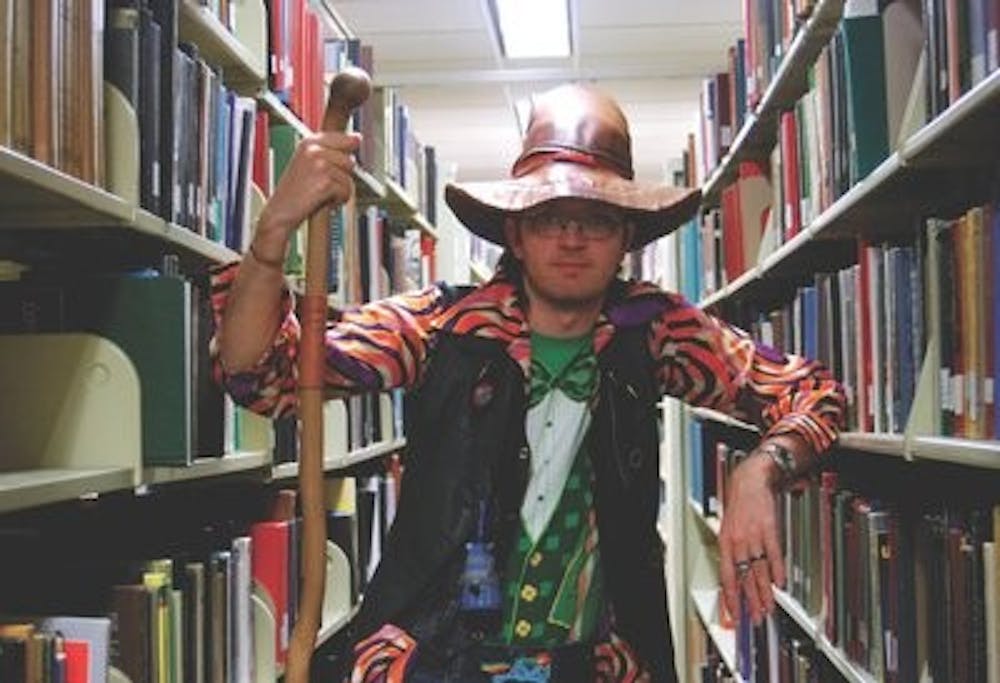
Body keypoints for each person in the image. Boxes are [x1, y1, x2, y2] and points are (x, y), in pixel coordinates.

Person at [211, 83, 846, 682]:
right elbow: (260, 375)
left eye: (596, 219)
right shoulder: (442, 326)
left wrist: (759, 470)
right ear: (515, 229)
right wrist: (273, 234)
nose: (571, 239)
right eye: (549, 217)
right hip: (430, 658)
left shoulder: (654, 330)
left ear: (626, 234)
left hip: (596, 664)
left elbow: (814, 393)